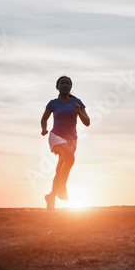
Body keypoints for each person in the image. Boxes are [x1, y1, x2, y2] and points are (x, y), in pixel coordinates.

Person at [40, 76, 90, 210]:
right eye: (62, 83)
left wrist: (79, 111)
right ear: (57, 86)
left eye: (68, 83)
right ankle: (62, 189)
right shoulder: (53, 103)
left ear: (71, 87)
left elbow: (87, 122)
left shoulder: (76, 102)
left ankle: (51, 196)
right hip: (56, 136)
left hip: (71, 139)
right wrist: (44, 129)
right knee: (69, 157)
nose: (65, 85)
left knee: (62, 166)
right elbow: (44, 118)